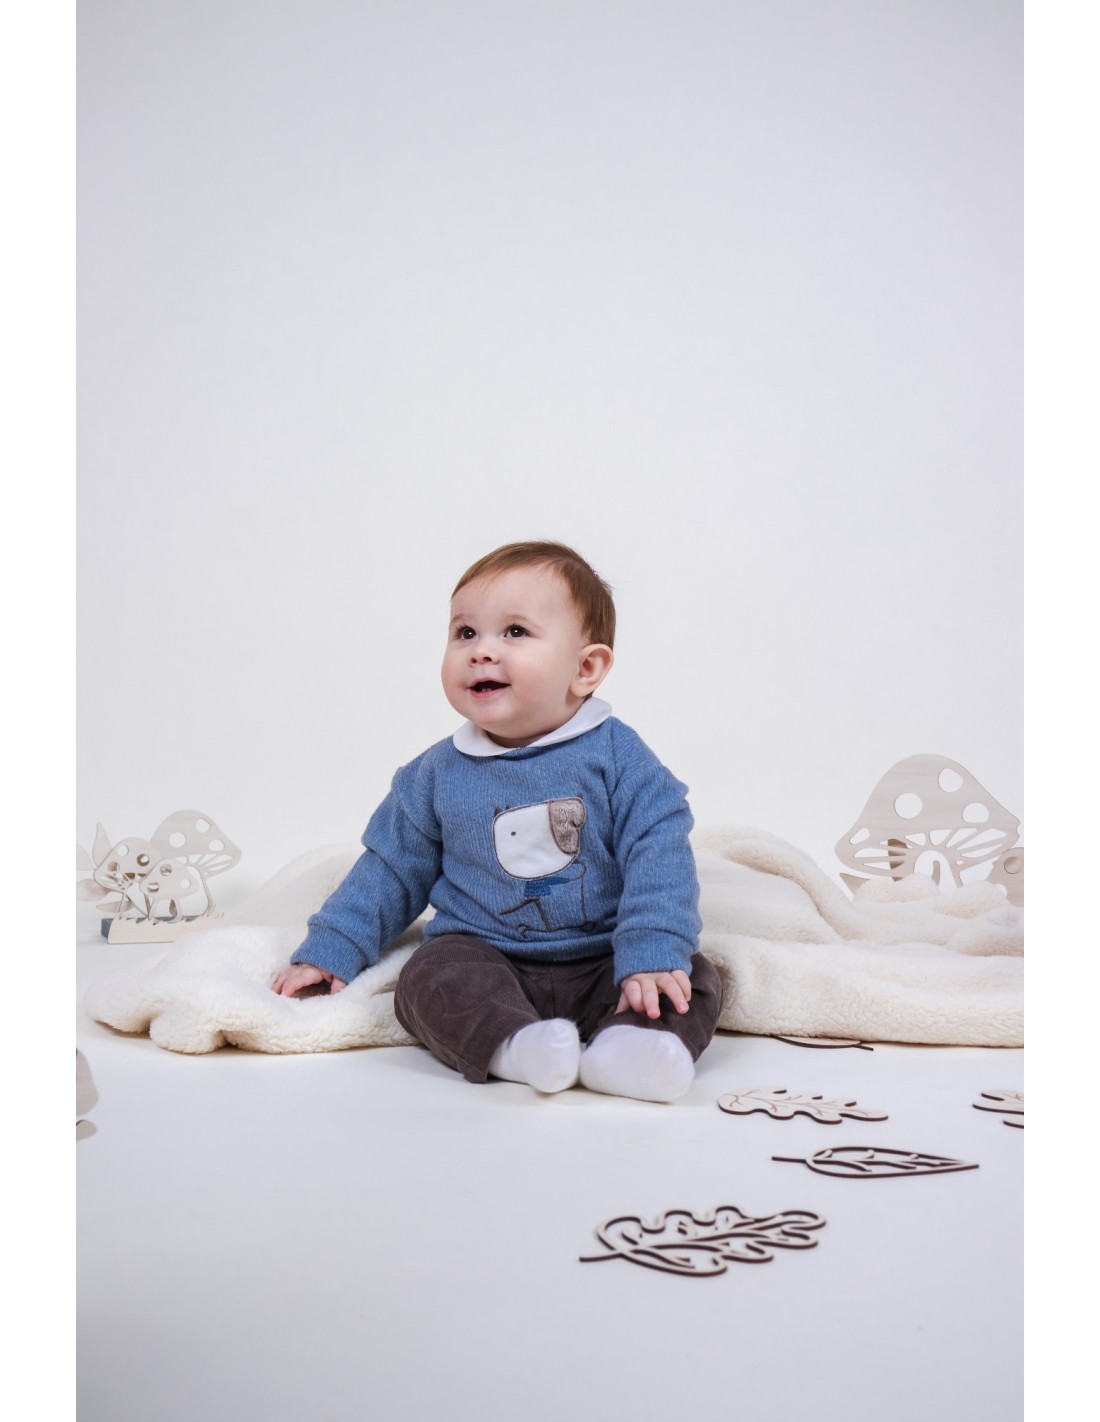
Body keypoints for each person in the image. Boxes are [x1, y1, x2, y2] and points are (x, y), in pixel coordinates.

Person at [272, 540, 723, 1102]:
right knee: (429, 976)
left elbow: (658, 850)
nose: (482, 651)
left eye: (514, 632)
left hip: (607, 955)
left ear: (585, 668)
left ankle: (633, 1047)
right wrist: (331, 949)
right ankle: (515, 1047)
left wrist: (651, 948)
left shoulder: (618, 757)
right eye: (465, 633)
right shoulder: (434, 774)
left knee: (690, 976)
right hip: (486, 954)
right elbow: (389, 870)